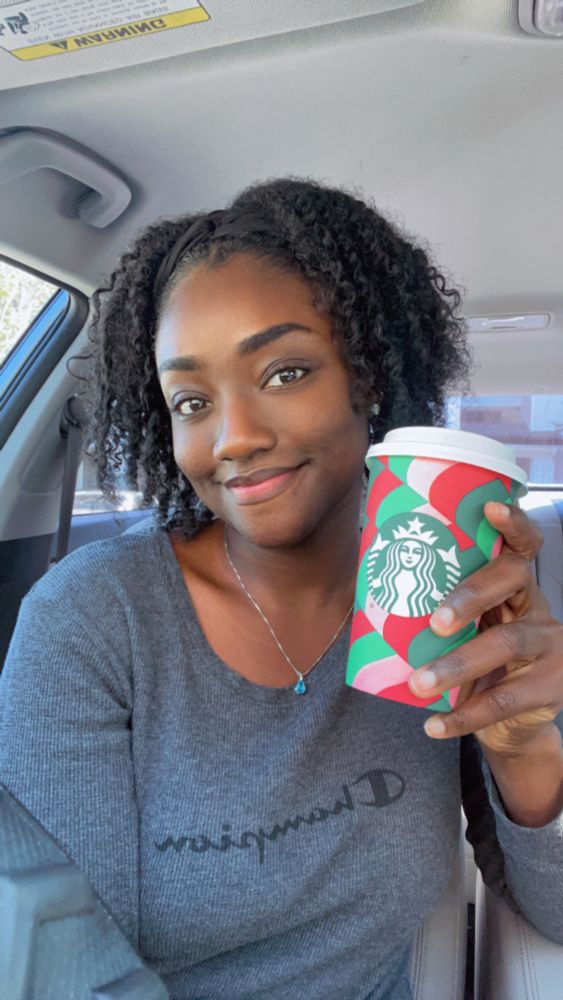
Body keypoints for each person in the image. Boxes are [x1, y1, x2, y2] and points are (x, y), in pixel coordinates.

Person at [0, 177, 561, 1000]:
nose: (233, 438)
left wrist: (525, 753)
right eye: (192, 400)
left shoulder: (446, 604)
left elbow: (553, 915)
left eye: (285, 372)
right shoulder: (92, 622)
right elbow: (62, 973)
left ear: (368, 377)